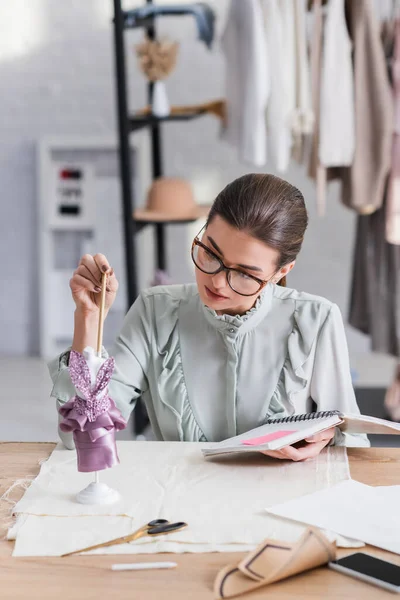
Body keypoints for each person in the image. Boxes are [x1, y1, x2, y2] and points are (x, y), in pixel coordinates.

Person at [49, 173, 369, 460]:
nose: (216, 281)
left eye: (244, 273)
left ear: (281, 271)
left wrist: (327, 440)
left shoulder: (317, 320)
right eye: (211, 253)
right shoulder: (154, 310)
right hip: (173, 510)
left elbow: (353, 447)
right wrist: (89, 319)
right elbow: (80, 440)